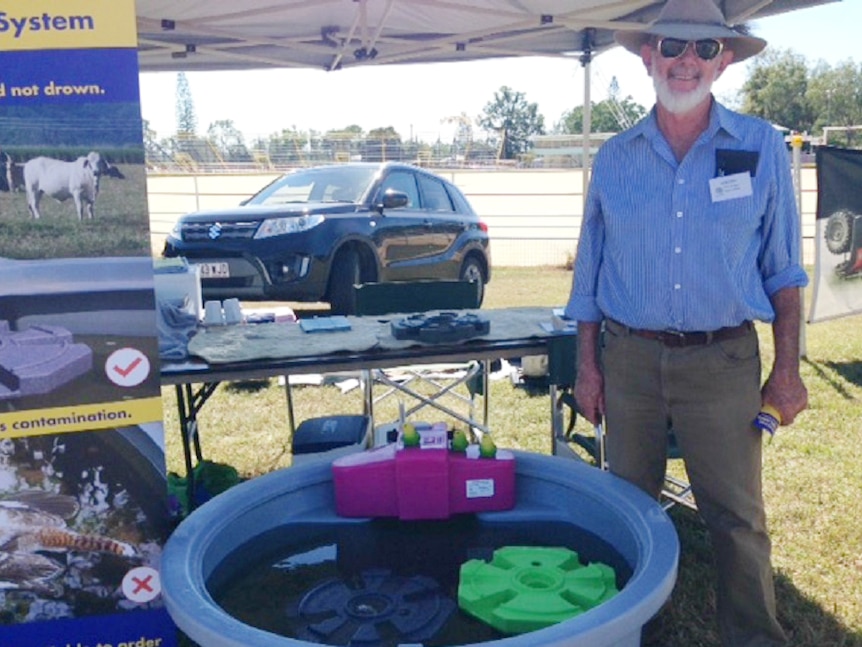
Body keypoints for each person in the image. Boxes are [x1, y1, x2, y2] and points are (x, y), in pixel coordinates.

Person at [564, 0, 808, 645]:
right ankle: (631, 633)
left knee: (736, 517)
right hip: (630, 361)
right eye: (673, 46)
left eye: (704, 49)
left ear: (723, 61)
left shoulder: (760, 147)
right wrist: (587, 368)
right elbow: (589, 273)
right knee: (629, 510)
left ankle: (753, 637)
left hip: (724, 360)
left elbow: (784, 271)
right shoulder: (615, 158)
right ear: (648, 56)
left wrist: (788, 371)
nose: (686, 61)